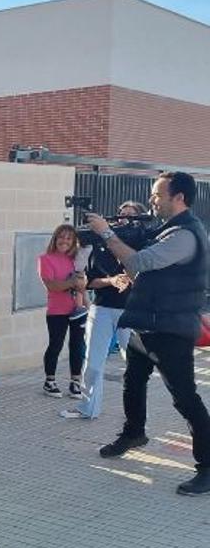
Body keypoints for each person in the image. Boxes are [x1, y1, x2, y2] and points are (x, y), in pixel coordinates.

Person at [89, 172, 210, 496]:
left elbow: (140, 262)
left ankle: (208, 466)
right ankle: (134, 433)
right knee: (133, 380)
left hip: (170, 328)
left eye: (158, 195)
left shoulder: (185, 234)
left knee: (185, 398)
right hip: (149, 323)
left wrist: (106, 233)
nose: (153, 200)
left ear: (179, 197)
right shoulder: (167, 229)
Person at [60, 201, 146, 421]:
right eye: (121, 215)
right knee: (93, 363)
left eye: (131, 216)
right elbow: (88, 281)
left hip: (132, 310)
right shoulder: (101, 241)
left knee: (136, 363)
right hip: (103, 308)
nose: (124, 220)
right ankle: (88, 408)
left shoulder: (142, 240)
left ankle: (136, 415)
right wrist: (111, 280)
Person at [38, 225, 88, 400]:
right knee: (56, 344)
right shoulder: (45, 259)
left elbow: (83, 286)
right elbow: (52, 285)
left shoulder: (76, 260)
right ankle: (49, 381)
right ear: (55, 238)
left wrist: (86, 301)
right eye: (61, 237)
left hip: (78, 309)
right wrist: (73, 282)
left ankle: (75, 382)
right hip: (56, 310)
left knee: (77, 346)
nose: (64, 241)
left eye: (68, 238)